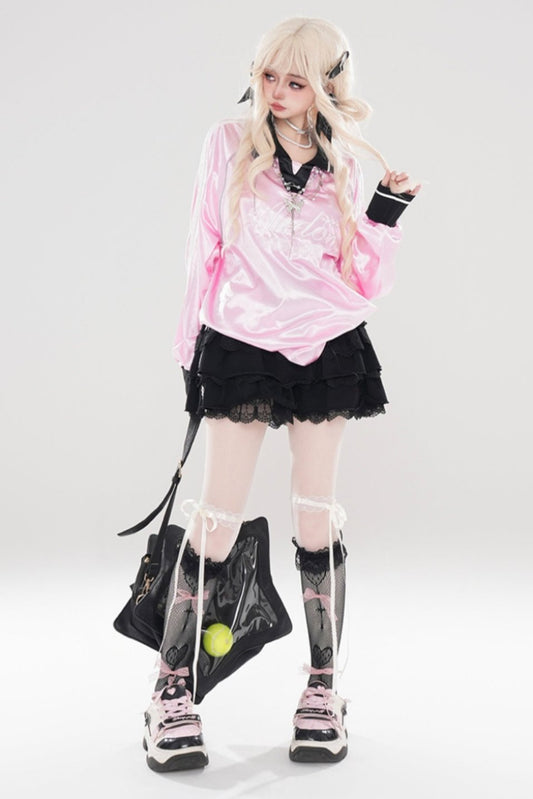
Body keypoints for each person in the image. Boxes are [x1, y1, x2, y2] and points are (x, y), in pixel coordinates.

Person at [142, 16, 422, 772]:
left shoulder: (343, 163)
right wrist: (189, 351)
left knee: (315, 513)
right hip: (239, 338)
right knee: (216, 518)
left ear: (327, 84)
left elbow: (363, 279)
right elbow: (203, 248)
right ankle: (170, 688)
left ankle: (323, 688)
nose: (275, 91)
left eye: (295, 80)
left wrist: (385, 212)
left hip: (325, 341)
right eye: (268, 75)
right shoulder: (226, 145)